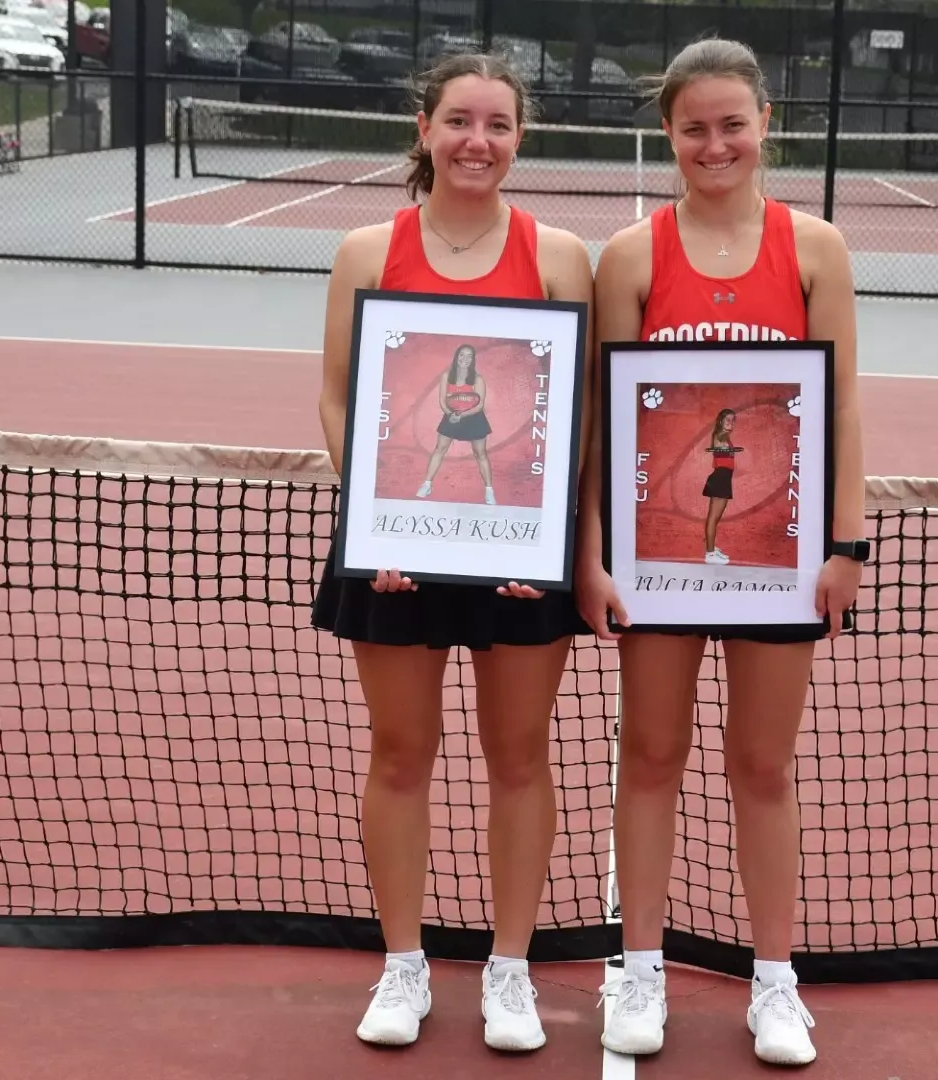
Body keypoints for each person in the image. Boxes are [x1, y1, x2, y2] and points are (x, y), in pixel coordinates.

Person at [575, 36, 867, 1067]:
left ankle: (775, 983)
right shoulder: (632, 257)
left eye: (732, 124)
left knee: (762, 766)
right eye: (694, 127)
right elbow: (605, 423)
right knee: (651, 755)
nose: (715, 144)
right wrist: (594, 552)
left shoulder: (816, 249)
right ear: (668, 132)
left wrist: (846, 544)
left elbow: (843, 406)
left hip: (784, 563)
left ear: (764, 125)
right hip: (655, 564)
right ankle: (639, 968)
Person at [311, 51, 596, 1053]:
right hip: (394, 551)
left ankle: (509, 971)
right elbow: (338, 398)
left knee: (519, 757)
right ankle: (404, 965)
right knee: (400, 754)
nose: (479, 141)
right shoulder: (367, 250)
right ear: (424, 128)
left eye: (499, 125)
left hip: (521, 556)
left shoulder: (559, 256)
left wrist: (545, 536)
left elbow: (576, 413)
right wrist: (378, 521)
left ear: (520, 139)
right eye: (461, 121)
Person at [416, 342, 495, 504]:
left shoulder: (478, 379)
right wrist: (450, 414)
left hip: (473, 417)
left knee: (480, 454)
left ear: (473, 360)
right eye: (462, 355)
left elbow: (480, 405)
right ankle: (427, 484)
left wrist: (462, 415)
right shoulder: (447, 376)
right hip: (451, 415)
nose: (465, 358)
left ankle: (489, 491)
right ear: (456, 356)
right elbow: (442, 400)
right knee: (439, 449)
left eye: (469, 356)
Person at [701, 407, 740, 563]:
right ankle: (710, 554)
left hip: (723, 478)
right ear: (720, 421)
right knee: (713, 517)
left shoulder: (725, 436)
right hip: (720, 477)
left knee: (715, 518)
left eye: (733, 420)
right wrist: (723, 448)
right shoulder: (719, 435)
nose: (731, 422)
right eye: (727, 419)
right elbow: (718, 447)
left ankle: (711, 548)